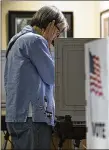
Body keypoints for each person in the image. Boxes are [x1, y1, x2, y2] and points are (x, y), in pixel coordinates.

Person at [4, 6, 69, 149]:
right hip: (32, 118)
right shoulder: (36, 41)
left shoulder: (16, 39)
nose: (56, 38)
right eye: (57, 32)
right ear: (50, 24)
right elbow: (52, 77)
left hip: (16, 115)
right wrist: (46, 41)